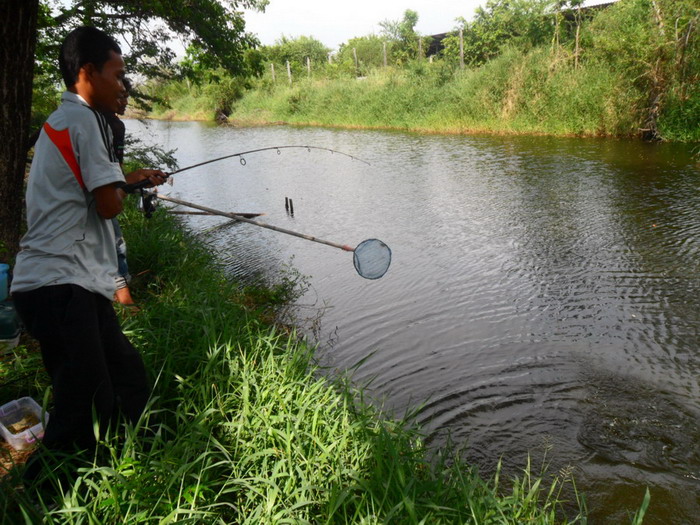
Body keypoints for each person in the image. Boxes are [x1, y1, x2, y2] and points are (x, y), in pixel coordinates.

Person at [10, 26, 166, 486]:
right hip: (59, 284)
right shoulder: (86, 121)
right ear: (87, 72)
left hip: (71, 284)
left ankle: (149, 452)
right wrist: (124, 186)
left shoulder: (60, 123)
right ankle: (40, 492)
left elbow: (90, 189)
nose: (122, 86)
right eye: (117, 75)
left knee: (126, 374)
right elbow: (107, 205)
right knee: (84, 403)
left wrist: (129, 178)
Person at [102, 78, 136, 306]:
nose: (124, 101)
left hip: (111, 190)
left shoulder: (117, 125)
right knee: (114, 245)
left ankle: (121, 291)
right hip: (102, 196)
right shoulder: (99, 124)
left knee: (117, 245)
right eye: (120, 95)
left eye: (126, 96)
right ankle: (124, 300)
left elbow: (118, 169)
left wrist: (132, 182)